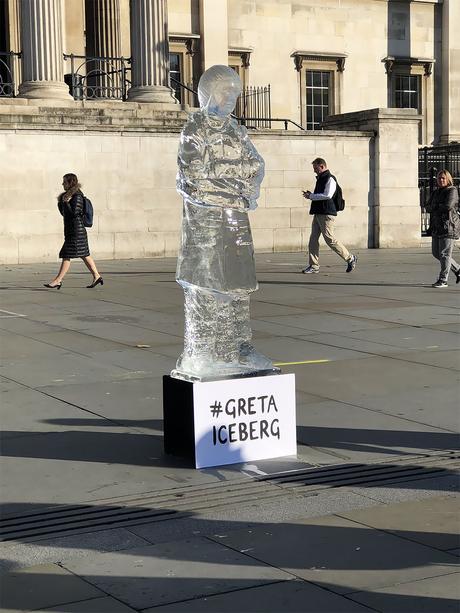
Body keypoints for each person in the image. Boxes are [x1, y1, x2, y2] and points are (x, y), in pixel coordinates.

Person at [173, 65, 275, 380]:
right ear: (210, 93)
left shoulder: (237, 131)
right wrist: (234, 182)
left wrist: (222, 173)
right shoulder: (195, 128)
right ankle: (200, 351)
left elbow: (256, 167)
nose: (232, 97)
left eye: (235, 92)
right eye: (225, 91)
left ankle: (239, 348)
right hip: (205, 224)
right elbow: (193, 179)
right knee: (204, 286)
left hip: (234, 221)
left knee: (239, 287)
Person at [44, 173, 103, 289]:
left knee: (67, 254)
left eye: (64, 182)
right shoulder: (68, 196)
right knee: (84, 254)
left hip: (77, 231)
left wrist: (66, 202)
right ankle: (97, 276)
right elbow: (64, 214)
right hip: (72, 230)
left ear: (70, 182)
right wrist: (61, 202)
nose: (62, 184)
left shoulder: (77, 196)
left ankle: (58, 280)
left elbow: (74, 213)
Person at [301, 157, 357, 274]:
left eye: (315, 168)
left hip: (326, 214)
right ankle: (314, 265)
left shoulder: (330, 179)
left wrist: (311, 196)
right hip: (318, 213)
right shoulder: (321, 178)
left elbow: (327, 195)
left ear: (322, 166)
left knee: (329, 239)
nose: (314, 171)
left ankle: (350, 258)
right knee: (313, 240)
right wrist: (311, 195)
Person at [424, 169, 460, 288]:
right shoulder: (435, 192)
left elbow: (448, 206)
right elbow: (427, 206)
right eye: (439, 178)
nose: (441, 180)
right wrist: (436, 206)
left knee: (444, 254)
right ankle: (458, 269)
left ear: (448, 179)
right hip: (436, 227)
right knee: (436, 253)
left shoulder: (452, 191)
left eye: (443, 178)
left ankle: (443, 279)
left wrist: (435, 207)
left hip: (448, 226)